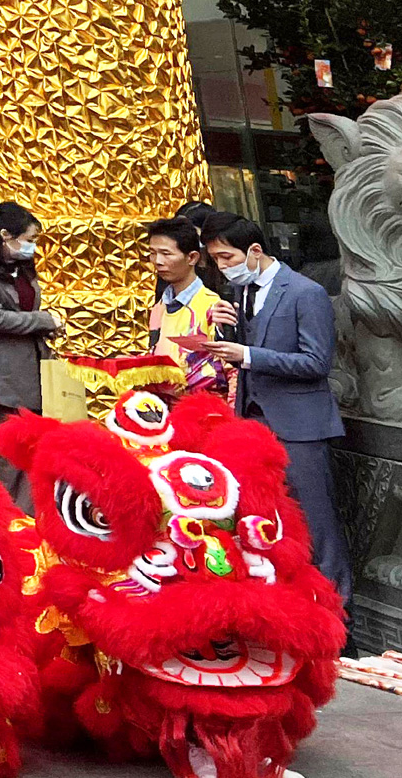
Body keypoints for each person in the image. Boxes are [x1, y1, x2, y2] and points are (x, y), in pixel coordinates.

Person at [202, 216, 352, 604]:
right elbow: (242, 352)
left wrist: (248, 354)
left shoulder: (306, 292)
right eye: (216, 260)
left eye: (226, 257)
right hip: (253, 421)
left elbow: (316, 363)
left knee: (317, 524)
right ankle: (293, 605)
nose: (222, 267)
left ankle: (339, 616)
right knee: (268, 518)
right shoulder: (241, 292)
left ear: (254, 251)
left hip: (301, 425)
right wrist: (223, 333)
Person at [0, 201, 60, 509]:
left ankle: (35, 516)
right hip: (3, 376)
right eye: (29, 240)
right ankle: (7, 518)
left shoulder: (21, 267)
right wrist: (45, 320)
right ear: (5, 235)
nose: (32, 247)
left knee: (39, 451)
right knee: (12, 455)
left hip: (35, 369)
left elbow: (24, 310)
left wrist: (49, 327)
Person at [146, 216, 235, 400]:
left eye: (166, 253)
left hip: (205, 412)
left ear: (192, 257)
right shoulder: (159, 308)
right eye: (152, 253)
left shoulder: (214, 306)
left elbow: (232, 369)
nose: (157, 261)